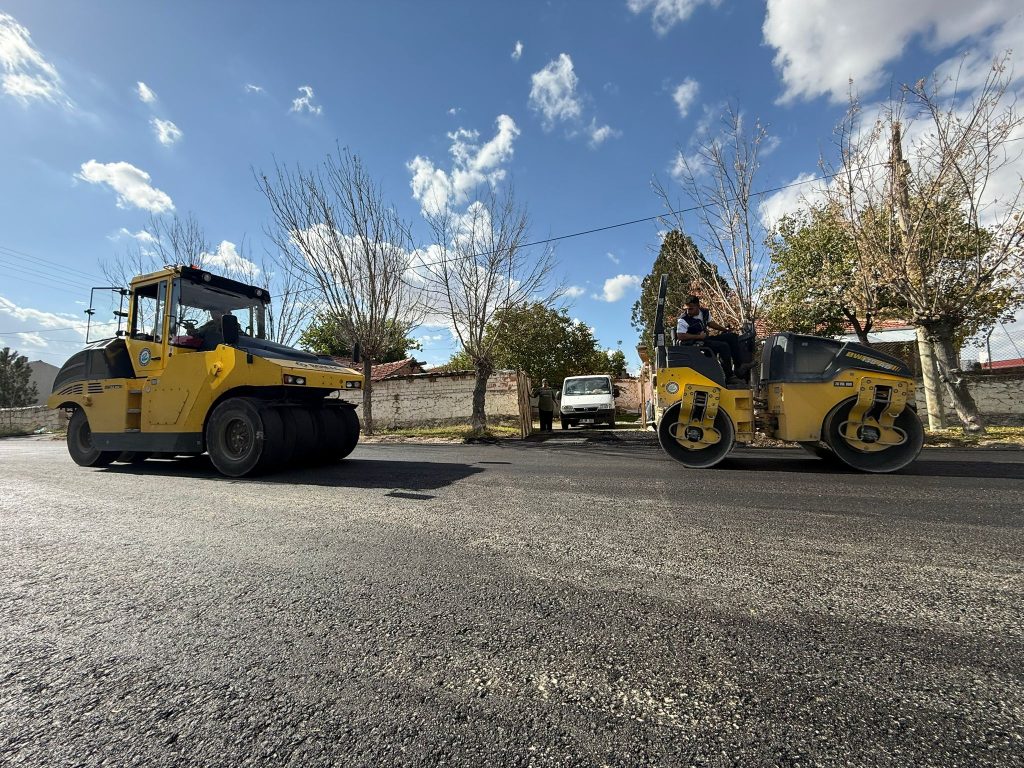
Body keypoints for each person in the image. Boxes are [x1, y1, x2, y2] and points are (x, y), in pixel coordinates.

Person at [675, 296, 750, 387]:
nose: (688, 311)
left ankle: (739, 367)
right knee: (723, 346)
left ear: (698, 306)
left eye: (691, 309)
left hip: (705, 339)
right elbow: (680, 335)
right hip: (695, 343)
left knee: (732, 337)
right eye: (687, 309)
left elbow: (711, 323)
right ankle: (729, 376)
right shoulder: (683, 319)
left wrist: (725, 330)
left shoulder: (705, 312)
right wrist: (698, 336)